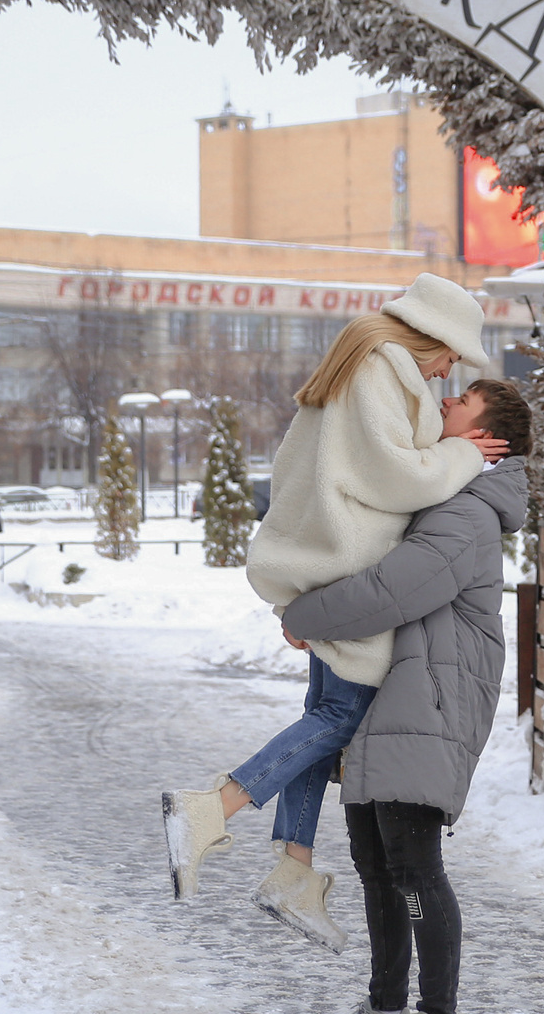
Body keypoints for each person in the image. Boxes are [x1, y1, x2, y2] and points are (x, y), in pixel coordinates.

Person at [162, 275, 508, 945]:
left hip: (327, 566)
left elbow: (309, 466)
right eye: (449, 358)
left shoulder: (358, 364)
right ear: (428, 338)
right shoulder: (383, 371)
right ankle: (211, 808)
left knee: (321, 720)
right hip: (354, 572)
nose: (445, 373)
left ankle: (293, 869)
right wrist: (464, 450)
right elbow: (396, 477)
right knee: (339, 717)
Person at [281, 378, 531, 1014]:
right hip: (397, 702)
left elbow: (391, 590)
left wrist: (303, 614)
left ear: (489, 437)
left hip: (431, 705)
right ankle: (386, 1006)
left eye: (462, 401)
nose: (445, 402)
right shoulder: (443, 499)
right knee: (376, 864)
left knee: (415, 867)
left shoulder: (468, 515)